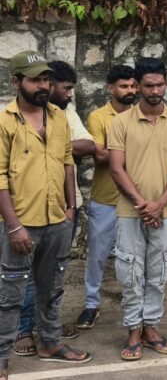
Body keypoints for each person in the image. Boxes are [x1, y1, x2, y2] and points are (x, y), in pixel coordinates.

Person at [0, 51, 92, 380]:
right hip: (21, 224)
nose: (42, 86)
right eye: (34, 80)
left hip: (58, 220)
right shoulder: (4, 121)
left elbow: (67, 161)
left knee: (53, 288)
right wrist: (14, 227)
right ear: (16, 82)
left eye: (45, 79)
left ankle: (50, 344)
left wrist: (70, 208)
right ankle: (2, 357)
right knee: (11, 293)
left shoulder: (57, 116)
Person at [108, 58, 167, 361]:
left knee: (159, 273)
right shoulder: (120, 123)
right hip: (130, 212)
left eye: (159, 85)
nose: (155, 91)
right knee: (130, 272)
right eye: (148, 85)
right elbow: (116, 168)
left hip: (165, 212)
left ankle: (151, 328)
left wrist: (159, 204)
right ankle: (133, 329)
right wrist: (143, 205)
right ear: (138, 86)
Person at [76, 65, 137, 330]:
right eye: (124, 86)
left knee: (136, 255)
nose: (130, 90)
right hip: (106, 198)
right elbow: (99, 156)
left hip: (137, 198)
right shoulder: (99, 117)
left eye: (133, 85)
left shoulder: (142, 114)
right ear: (110, 88)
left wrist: (117, 153)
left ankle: (136, 305)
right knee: (98, 255)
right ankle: (91, 304)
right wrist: (136, 153)